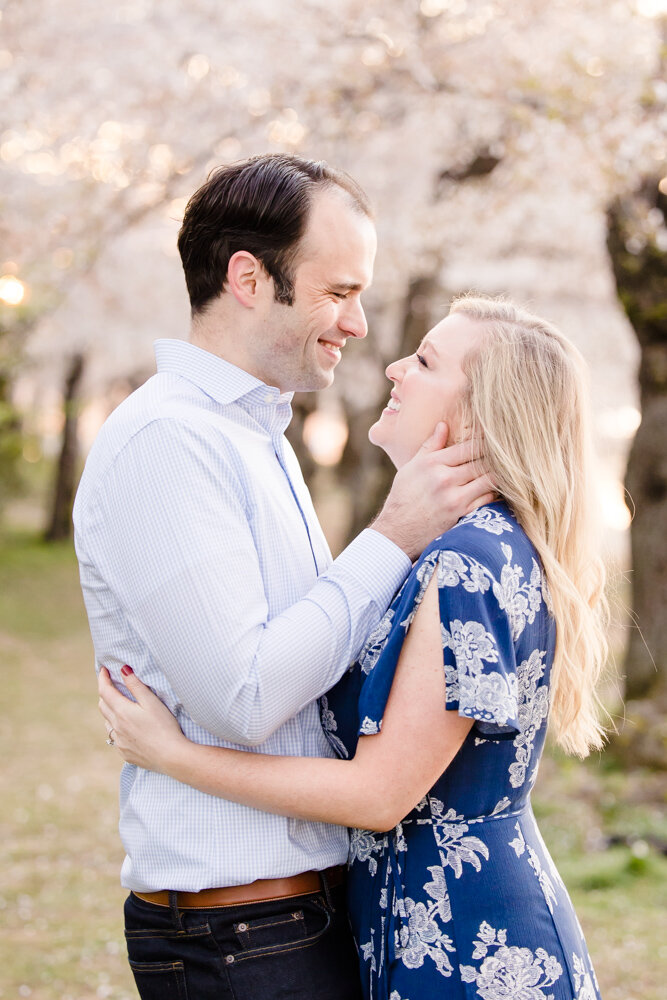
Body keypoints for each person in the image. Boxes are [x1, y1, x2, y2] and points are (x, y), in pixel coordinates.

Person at [99, 295, 609, 1000]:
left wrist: (175, 757)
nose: (396, 366)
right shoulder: (461, 547)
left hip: (468, 943)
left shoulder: (466, 562)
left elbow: (377, 794)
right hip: (424, 917)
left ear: (478, 416)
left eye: (426, 362)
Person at [74, 154, 493, 1000]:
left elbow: (311, 658)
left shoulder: (253, 435)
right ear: (248, 278)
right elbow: (250, 693)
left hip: (294, 915)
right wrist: (394, 535)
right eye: (338, 292)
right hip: (239, 929)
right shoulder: (169, 442)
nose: (360, 324)